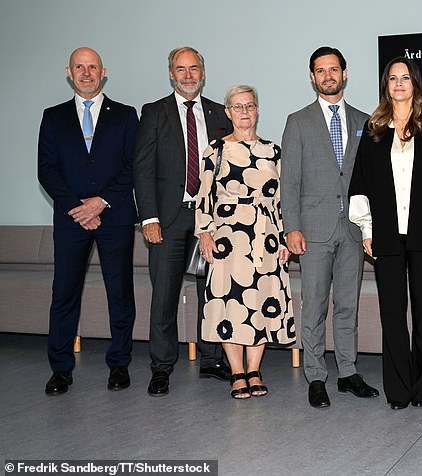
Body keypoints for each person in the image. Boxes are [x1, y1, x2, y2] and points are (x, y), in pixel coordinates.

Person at [349, 57, 422, 410]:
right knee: (392, 315)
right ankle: (398, 390)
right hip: (385, 235)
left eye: (405, 78)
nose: (399, 83)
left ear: (415, 83)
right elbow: (360, 184)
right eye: (392, 78)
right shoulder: (373, 130)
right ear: (387, 85)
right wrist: (367, 228)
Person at [281, 46, 379, 408]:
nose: (327, 76)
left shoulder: (364, 121)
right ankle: (316, 376)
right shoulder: (298, 121)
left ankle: (348, 372)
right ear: (312, 77)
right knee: (314, 306)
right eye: (320, 71)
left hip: (352, 229)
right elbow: (289, 180)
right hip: (313, 229)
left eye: (333, 69)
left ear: (345, 73)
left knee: (347, 306)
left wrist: (371, 227)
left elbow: (370, 180)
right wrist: (291, 227)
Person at [38, 47, 138, 395]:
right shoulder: (53, 117)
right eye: (79, 67)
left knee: (120, 293)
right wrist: (78, 208)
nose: (86, 73)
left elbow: (132, 167)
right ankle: (61, 369)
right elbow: (46, 170)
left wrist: (99, 203)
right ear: (69, 72)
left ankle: (120, 364)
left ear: (103, 72)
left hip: (115, 216)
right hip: (71, 220)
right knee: (64, 294)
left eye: (92, 67)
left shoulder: (126, 115)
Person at [133, 46, 232, 396]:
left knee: (213, 291)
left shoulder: (221, 114)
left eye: (194, 69)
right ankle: (161, 367)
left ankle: (211, 360)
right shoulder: (154, 112)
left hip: (212, 221)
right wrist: (149, 217)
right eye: (181, 69)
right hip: (169, 219)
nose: (188, 75)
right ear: (171, 74)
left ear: (203, 74)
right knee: (164, 296)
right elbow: (142, 169)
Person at [196, 85, 295, 399]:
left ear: (257, 109)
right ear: (227, 112)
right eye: (236, 106)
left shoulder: (274, 151)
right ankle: (236, 372)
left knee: (261, 301)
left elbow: (282, 200)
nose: (243, 112)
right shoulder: (216, 150)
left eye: (249, 105)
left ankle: (254, 370)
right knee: (230, 303)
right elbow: (204, 195)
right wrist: (204, 233)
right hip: (228, 239)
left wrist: (283, 238)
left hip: (266, 238)